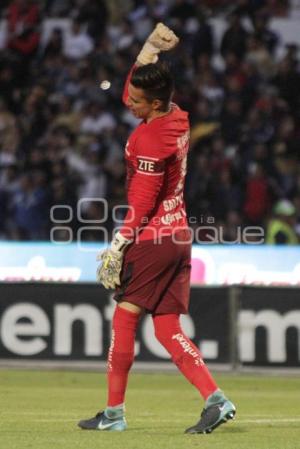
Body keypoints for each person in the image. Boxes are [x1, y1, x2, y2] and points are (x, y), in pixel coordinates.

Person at [78, 23, 236, 434]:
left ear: (152, 103)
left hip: (153, 238)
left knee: (125, 320)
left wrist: (118, 242)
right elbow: (139, 91)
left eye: (135, 100)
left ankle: (114, 414)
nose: (127, 103)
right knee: (167, 329)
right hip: (179, 236)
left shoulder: (149, 141)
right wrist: (146, 55)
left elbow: (144, 201)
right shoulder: (176, 117)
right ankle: (216, 400)